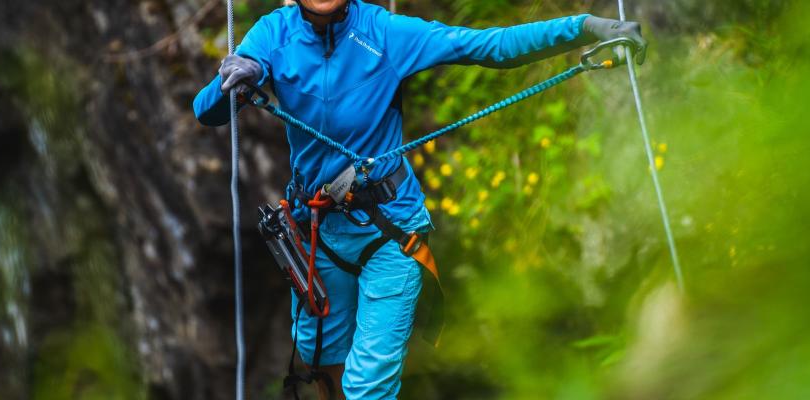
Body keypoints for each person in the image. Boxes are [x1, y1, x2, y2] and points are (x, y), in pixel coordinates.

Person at [193, 1, 647, 398]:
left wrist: (587, 28)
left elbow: (487, 46)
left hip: (389, 231)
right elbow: (207, 111)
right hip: (318, 235)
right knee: (321, 370)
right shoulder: (273, 34)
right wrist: (241, 75)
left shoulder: (384, 33)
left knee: (367, 386)